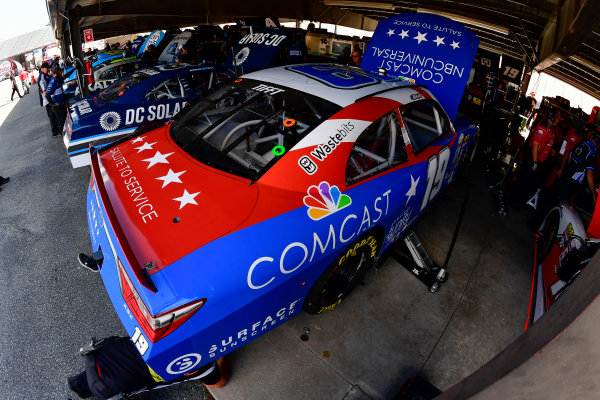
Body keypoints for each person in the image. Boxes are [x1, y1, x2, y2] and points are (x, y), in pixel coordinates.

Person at [67, 336, 230, 399]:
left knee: (219, 381)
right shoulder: (93, 352)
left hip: (172, 364)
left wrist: (226, 349)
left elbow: (219, 383)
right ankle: (82, 383)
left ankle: (227, 349)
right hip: (149, 341)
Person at [45, 66, 67, 136]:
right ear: (56, 74)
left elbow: (66, 76)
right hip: (57, 106)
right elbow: (47, 95)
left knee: (65, 120)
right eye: (60, 74)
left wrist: (74, 69)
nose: (61, 75)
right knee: (61, 122)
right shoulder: (53, 82)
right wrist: (52, 103)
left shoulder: (59, 79)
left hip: (62, 104)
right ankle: (63, 135)